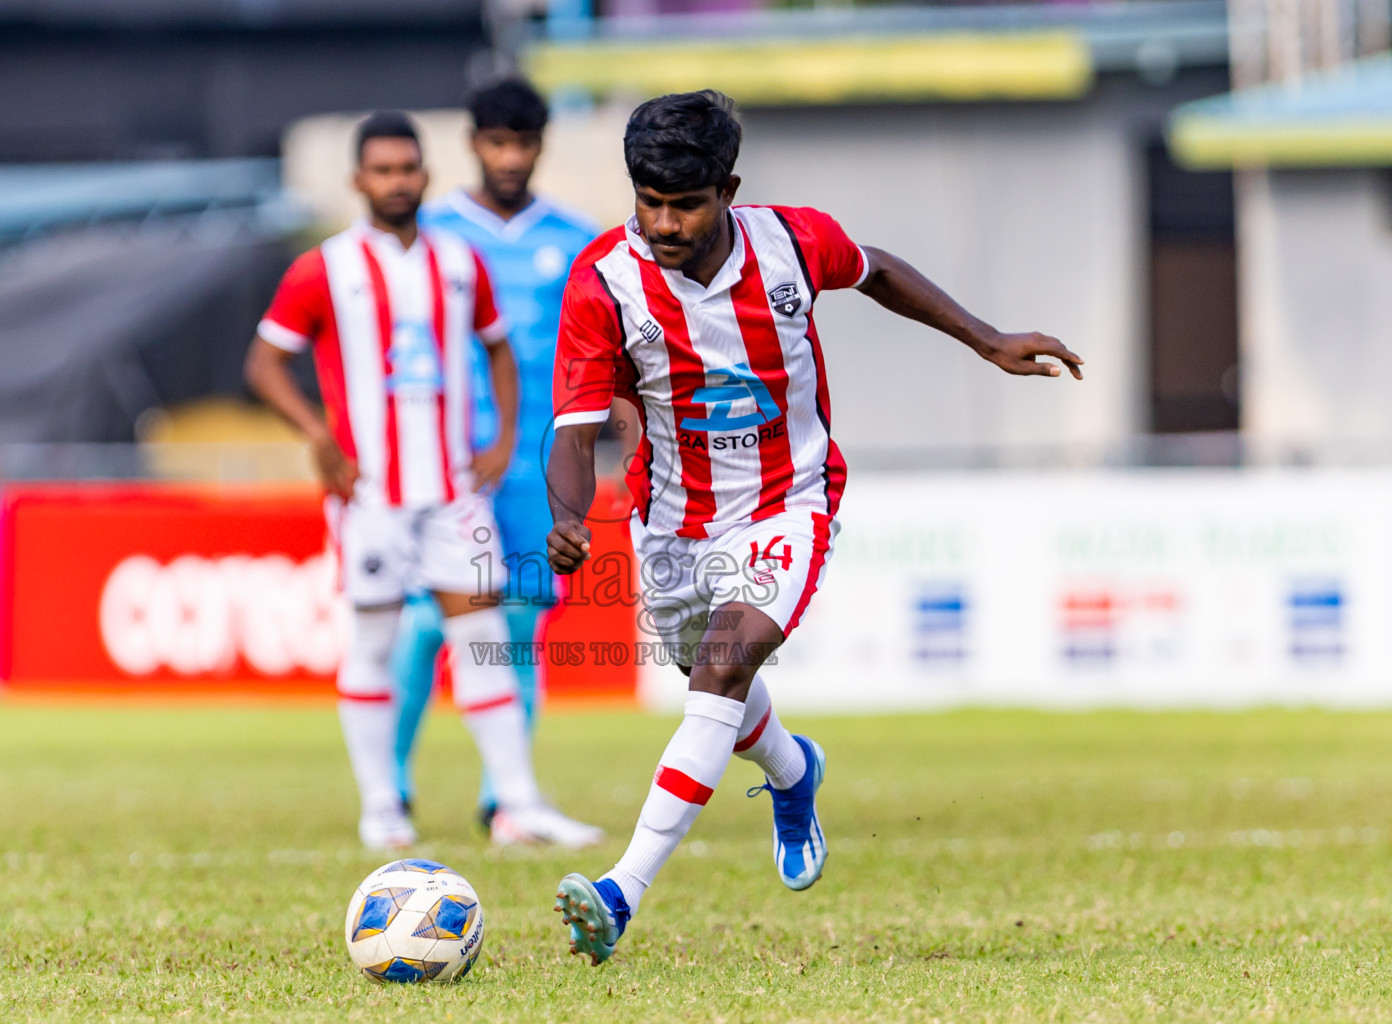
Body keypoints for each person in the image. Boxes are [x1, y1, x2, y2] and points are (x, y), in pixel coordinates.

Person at [543, 90, 1083, 963]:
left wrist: (986, 340)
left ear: (730, 189)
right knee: (711, 678)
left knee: (722, 662)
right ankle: (795, 775)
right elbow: (572, 427)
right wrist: (569, 515)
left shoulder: (794, 241)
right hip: (672, 517)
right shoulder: (603, 281)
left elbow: (878, 271)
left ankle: (621, 891)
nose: (666, 224)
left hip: (789, 497)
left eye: (685, 204)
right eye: (650, 203)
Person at [243, 110, 602, 851]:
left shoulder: (458, 262)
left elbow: (499, 349)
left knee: (483, 640)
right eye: (382, 171)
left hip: (451, 491)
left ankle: (518, 803)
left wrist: (503, 437)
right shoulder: (326, 267)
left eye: (408, 169)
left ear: (426, 175)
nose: (397, 182)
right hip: (370, 493)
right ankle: (382, 808)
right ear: (357, 181)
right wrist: (319, 436)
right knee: (376, 640)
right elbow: (263, 363)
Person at [393, 79, 599, 832]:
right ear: (473, 144)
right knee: (423, 624)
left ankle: (504, 800)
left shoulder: (576, 241)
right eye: (496, 143)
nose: (510, 157)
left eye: (523, 143)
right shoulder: (436, 234)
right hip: (443, 464)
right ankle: (391, 787)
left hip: (534, 467)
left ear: (541, 146)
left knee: (518, 626)